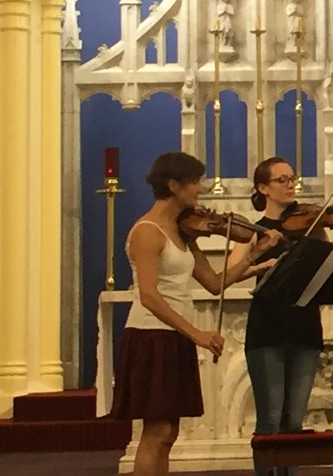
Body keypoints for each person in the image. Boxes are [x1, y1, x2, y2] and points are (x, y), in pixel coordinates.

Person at [110, 151, 280, 476]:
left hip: (174, 334)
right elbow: (149, 295)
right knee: (156, 431)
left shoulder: (183, 232)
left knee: (168, 433)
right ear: (174, 185)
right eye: (194, 182)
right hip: (150, 335)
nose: (200, 189)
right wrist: (196, 334)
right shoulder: (147, 231)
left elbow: (215, 283)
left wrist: (253, 257)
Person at [229, 157, 333, 476]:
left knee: (294, 424)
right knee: (269, 422)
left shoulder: (313, 227)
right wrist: (258, 263)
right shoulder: (255, 232)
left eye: (292, 178)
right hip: (267, 329)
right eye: (281, 180)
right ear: (263, 188)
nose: (290, 185)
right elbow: (228, 275)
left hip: (305, 327)